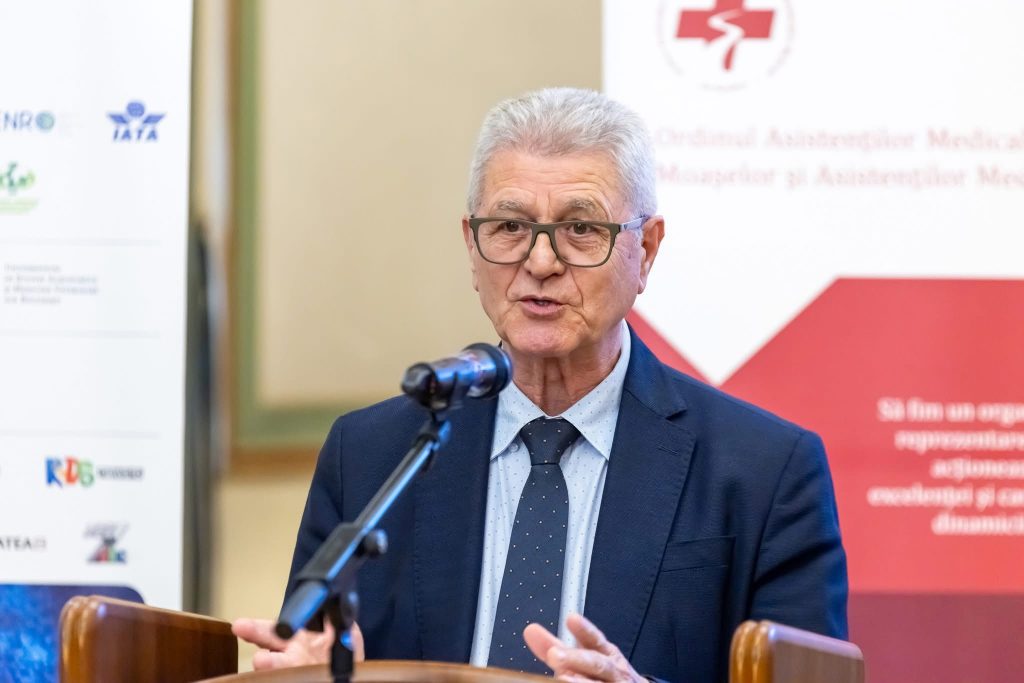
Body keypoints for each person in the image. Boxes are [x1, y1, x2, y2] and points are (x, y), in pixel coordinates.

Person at [233, 87, 847, 682]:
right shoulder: (372, 456)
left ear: (646, 250)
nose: (541, 262)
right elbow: (309, 654)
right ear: (471, 245)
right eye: (510, 226)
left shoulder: (765, 473)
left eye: (581, 230)